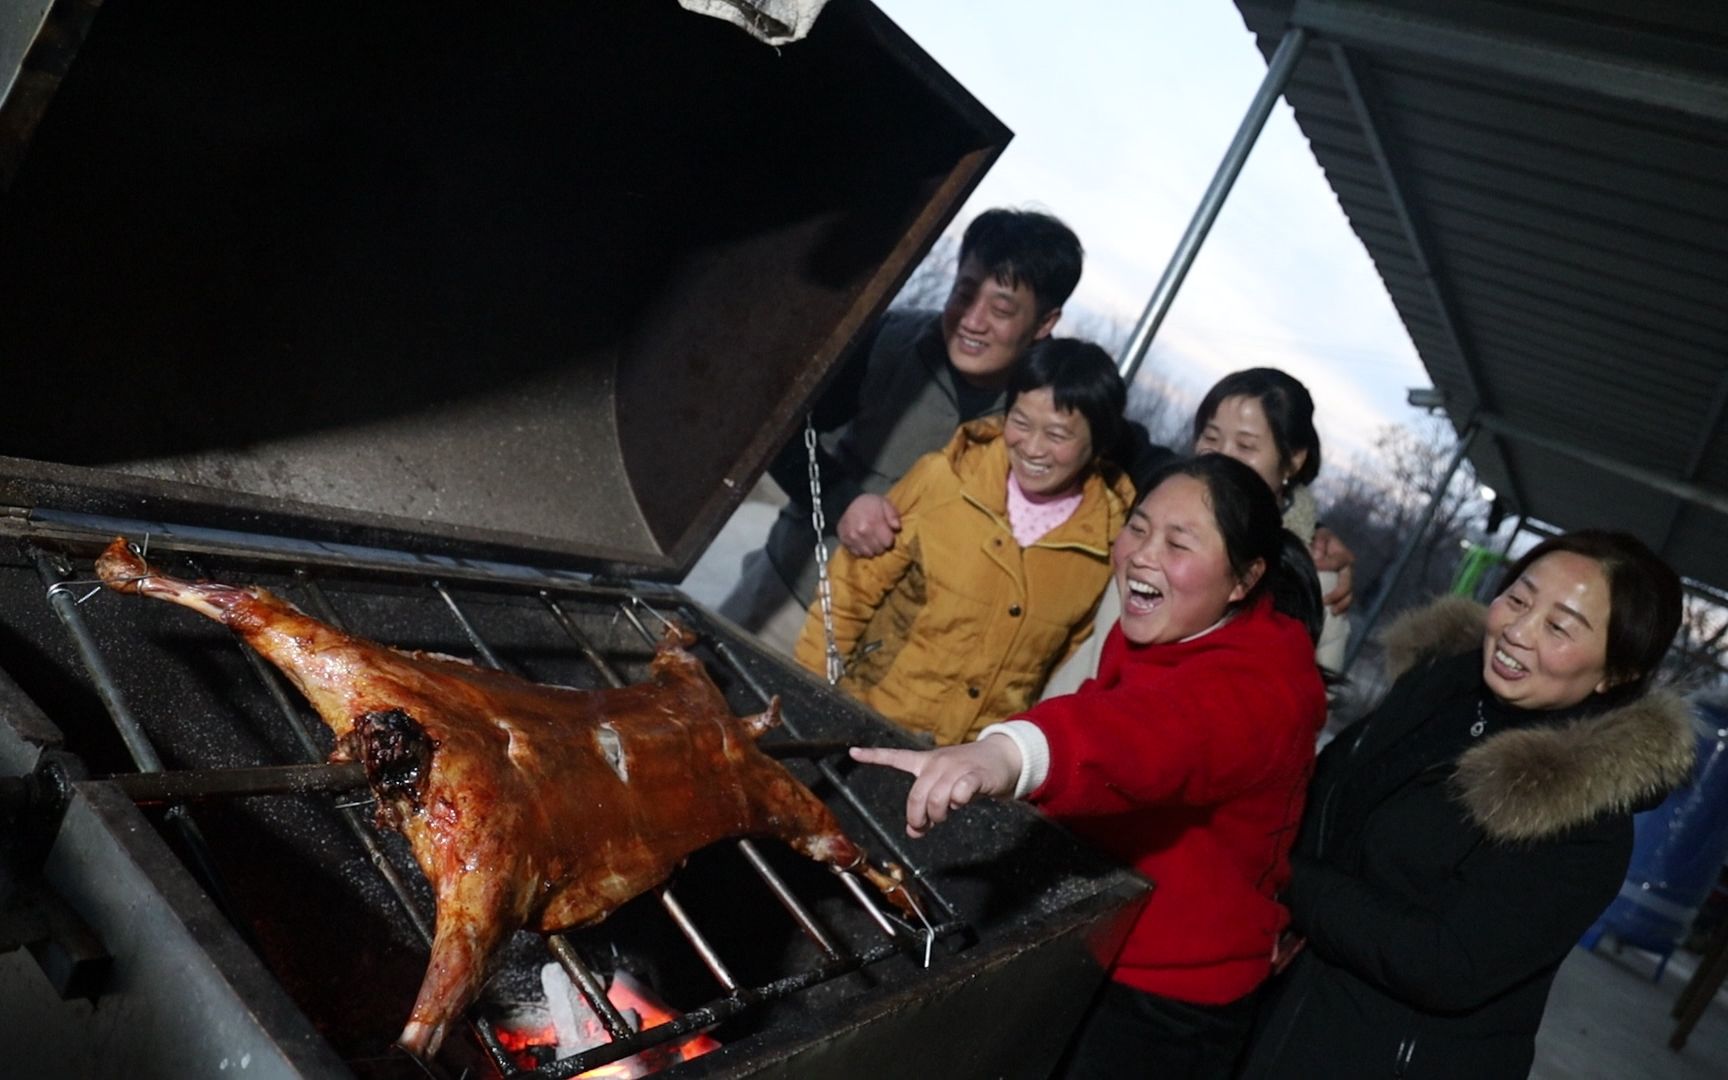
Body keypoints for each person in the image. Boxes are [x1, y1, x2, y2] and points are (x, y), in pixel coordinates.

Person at [854, 454, 1329, 1078]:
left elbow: (1148, 737)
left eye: (1178, 543)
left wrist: (1009, 754)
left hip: (1169, 997)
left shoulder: (1265, 689)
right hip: (1099, 937)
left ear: (1244, 580)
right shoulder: (1166, 627)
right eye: (1138, 526)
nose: (1141, 554)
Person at [1238, 530, 1695, 1079]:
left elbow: (1443, 962)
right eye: (1519, 599)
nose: (1517, 631)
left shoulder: (1584, 820)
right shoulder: (1439, 687)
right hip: (1284, 1010)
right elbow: (1331, 788)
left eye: (1558, 628)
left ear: (1616, 674)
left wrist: (1281, 874)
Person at [717, 208, 1084, 655]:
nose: (973, 320)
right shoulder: (888, 338)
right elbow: (781, 436)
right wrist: (844, 500)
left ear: (1045, 323)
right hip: (785, 600)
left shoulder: (1052, 409)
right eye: (963, 294)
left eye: (1001, 309)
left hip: (892, 659)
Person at [794, 338, 1136, 746]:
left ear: (1098, 443)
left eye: (1058, 435)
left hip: (964, 768)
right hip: (865, 726)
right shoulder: (944, 480)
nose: (1032, 447)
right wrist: (809, 697)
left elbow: (1064, 666)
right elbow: (849, 593)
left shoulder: (1107, 542)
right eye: (1021, 422)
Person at [1043, 367, 1351, 699]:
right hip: (1059, 716)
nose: (1220, 456)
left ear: (1293, 460)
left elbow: (1307, 702)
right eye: (1211, 437)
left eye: (1246, 445)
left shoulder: (1316, 579)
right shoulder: (1157, 504)